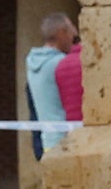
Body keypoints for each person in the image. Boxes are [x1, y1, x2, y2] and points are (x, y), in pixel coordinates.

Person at [26, 12, 80, 153]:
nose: (73, 35)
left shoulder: (32, 63)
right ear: (61, 33)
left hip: (48, 141)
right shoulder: (60, 63)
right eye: (70, 31)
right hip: (66, 141)